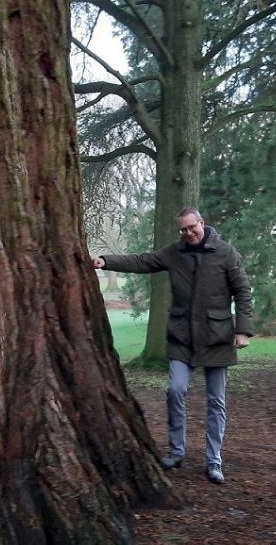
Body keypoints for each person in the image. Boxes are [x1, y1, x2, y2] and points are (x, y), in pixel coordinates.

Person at [92, 207, 253, 485]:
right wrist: (105, 261)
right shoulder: (174, 252)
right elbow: (142, 261)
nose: (189, 233)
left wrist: (243, 331)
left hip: (216, 335)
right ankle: (176, 451)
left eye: (192, 227)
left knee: (216, 401)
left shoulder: (226, 253)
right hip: (181, 336)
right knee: (175, 390)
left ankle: (213, 461)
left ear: (202, 223)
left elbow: (243, 291)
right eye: (183, 229)